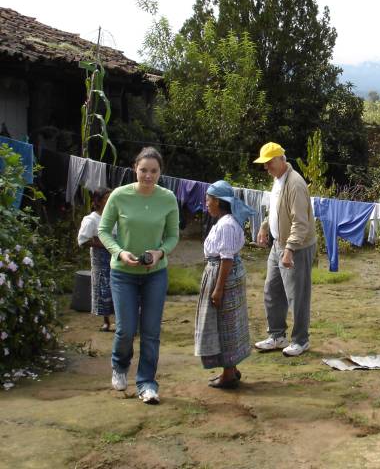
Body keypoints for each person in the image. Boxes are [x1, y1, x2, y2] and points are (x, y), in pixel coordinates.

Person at [98, 147, 179, 405]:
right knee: (125, 329)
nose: (148, 175)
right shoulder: (120, 196)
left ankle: (146, 383)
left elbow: (172, 236)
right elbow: (104, 230)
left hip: (155, 273)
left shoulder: (168, 198)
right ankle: (120, 366)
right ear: (135, 168)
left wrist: (160, 253)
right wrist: (120, 253)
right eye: (143, 170)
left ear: (160, 172)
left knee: (151, 331)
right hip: (123, 273)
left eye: (153, 171)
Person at [252, 142, 317, 357]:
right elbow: (276, 210)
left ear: (281, 159)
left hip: (296, 246)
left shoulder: (295, 184)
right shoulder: (278, 180)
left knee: (296, 295)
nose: (266, 167)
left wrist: (289, 249)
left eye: (269, 163)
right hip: (278, 244)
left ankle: (301, 340)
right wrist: (264, 226)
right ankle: (277, 336)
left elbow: (300, 222)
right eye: (264, 164)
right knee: (272, 290)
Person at [194, 180, 255, 389]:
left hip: (223, 276)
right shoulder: (224, 221)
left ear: (218, 201)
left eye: (208, 199)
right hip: (222, 273)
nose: (206, 203)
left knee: (225, 323)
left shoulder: (227, 224)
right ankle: (232, 368)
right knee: (228, 321)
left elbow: (226, 258)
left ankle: (228, 373)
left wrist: (218, 289)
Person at [77, 188, 114, 331]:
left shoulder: (115, 216)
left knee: (119, 287)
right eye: (107, 198)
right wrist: (102, 244)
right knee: (103, 288)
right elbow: (82, 241)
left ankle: (123, 320)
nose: (110, 200)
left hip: (117, 257)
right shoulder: (92, 219)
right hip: (101, 259)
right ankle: (107, 321)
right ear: (98, 201)